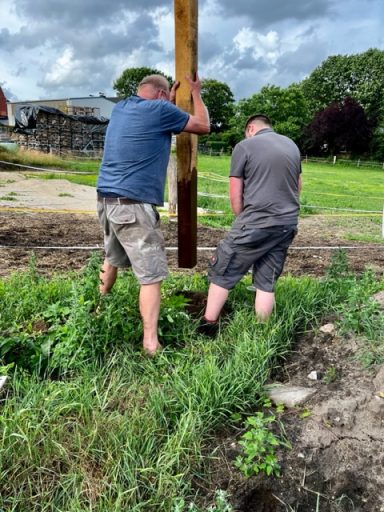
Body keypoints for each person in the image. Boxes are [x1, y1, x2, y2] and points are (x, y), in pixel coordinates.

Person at [97, 73, 210, 355]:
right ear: (161, 95)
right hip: (133, 204)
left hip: (106, 200)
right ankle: (150, 344)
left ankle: (96, 309)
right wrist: (195, 93)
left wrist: (169, 102)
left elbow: (157, 119)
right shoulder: (160, 110)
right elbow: (203, 126)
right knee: (151, 275)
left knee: (111, 258)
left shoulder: (121, 107)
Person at [198, 114, 302, 336]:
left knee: (224, 268)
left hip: (256, 221)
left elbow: (235, 193)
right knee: (267, 278)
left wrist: (242, 220)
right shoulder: (291, 145)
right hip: (286, 223)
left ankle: (207, 325)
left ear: (251, 128)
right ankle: (261, 332)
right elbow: (298, 186)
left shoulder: (245, 146)